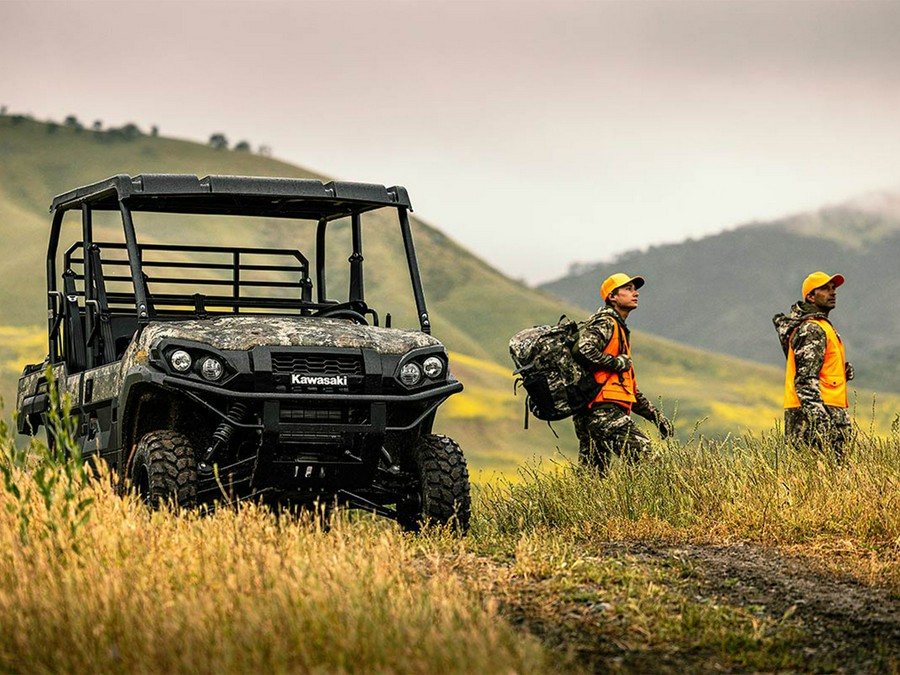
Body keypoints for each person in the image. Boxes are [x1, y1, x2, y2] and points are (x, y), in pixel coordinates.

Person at [572, 273, 673, 473]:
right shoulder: (607, 323)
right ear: (612, 297)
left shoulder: (618, 328)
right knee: (649, 459)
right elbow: (584, 348)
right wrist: (617, 362)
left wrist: (655, 416)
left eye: (635, 289)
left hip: (591, 413)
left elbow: (627, 389)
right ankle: (645, 503)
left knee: (592, 479)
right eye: (628, 289)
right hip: (602, 411)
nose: (635, 293)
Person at [773, 271, 854, 460]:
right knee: (818, 481)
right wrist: (824, 425)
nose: (832, 292)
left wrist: (841, 372)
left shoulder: (822, 326)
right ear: (810, 296)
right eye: (825, 289)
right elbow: (804, 382)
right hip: (813, 420)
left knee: (833, 484)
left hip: (826, 413)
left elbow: (817, 370)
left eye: (833, 288)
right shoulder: (812, 329)